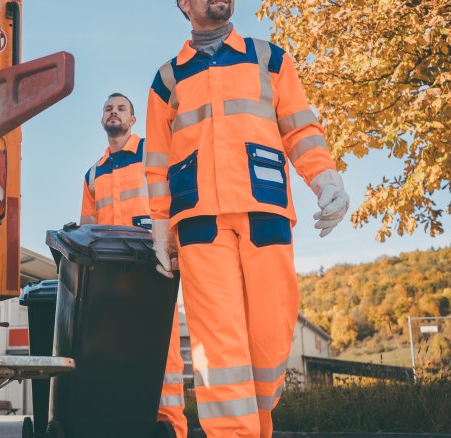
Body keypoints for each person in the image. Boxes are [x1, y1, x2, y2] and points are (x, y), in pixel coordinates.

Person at [144, 0, 350, 436]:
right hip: (199, 221)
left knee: (272, 333)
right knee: (218, 351)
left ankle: (258, 422)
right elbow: (157, 162)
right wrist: (161, 231)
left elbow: (300, 128)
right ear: (183, 4)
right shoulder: (167, 79)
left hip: (264, 209)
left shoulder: (269, 58)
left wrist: (326, 178)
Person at [80, 93, 187, 438]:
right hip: (111, 274)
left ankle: (169, 426)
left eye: (121, 108)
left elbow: (174, 198)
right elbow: (86, 228)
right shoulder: (93, 174)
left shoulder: (150, 155)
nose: (114, 112)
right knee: (117, 351)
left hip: (153, 263)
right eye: (108, 108)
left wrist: (174, 248)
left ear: (133, 120)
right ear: (102, 118)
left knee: (163, 350)